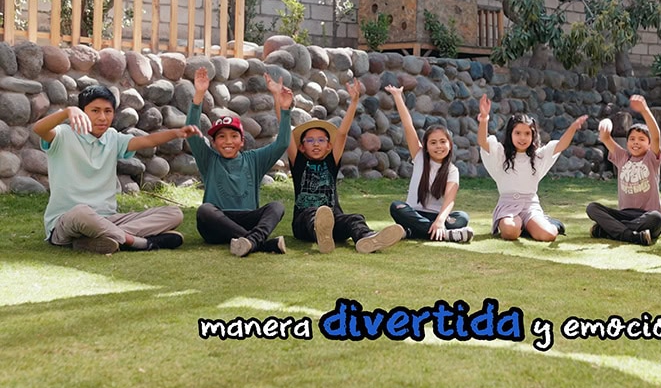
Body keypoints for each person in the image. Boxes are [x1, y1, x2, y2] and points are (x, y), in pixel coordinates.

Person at [34, 85, 199, 254]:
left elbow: (147, 141)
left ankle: (95, 240)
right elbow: (38, 128)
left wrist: (176, 133)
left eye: (108, 111)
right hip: (67, 221)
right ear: (82, 112)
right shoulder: (63, 134)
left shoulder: (113, 138)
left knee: (174, 213)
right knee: (81, 212)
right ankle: (139, 242)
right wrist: (67, 111)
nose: (102, 117)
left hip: (109, 219)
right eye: (95, 111)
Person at [288, 81, 404, 254]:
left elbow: (341, 133)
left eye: (321, 140)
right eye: (310, 140)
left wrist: (354, 102)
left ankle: (367, 238)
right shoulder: (298, 162)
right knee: (313, 213)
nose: (316, 144)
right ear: (302, 147)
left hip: (333, 220)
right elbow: (285, 136)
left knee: (355, 218)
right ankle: (320, 234)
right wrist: (282, 108)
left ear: (329, 146)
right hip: (304, 224)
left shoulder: (331, 162)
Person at [188, 68, 290, 257]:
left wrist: (283, 108)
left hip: (247, 218)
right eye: (222, 137)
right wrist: (199, 94)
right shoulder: (209, 159)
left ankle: (249, 241)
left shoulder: (254, 160)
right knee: (205, 210)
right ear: (214, 142)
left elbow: (282, 142)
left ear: (242, 141)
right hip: (215, 225)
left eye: (234, 136)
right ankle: (261, 243)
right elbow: (192, 135)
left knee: (277, 206)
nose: (228, 141)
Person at [478, 94, 586, 241]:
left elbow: (560, 145)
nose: (522, 138)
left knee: (548, 235)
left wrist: (573, 128)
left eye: (527, 134)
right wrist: (484, 118)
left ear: (533, 136)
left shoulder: (538, 156)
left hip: (530, 206)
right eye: (518, 133)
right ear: (510, 134)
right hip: (508, 206)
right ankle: (521, 226)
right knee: (510, 232)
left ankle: (545, 223)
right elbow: (483, 142)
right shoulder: (501, 154)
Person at [386, 85, 474, 243]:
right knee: (396, 207)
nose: (438, 146)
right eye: (433, 143)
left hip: (437, 216)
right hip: (413, 213)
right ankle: (445, 235)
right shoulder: (419, 157)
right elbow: (408, 126)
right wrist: (398, 96)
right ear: (426, 146)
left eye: (442, 142)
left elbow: (449, 200)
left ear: (450, 144)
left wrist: (440, 221)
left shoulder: (452, 171)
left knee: (462, 217)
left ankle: (412, 231)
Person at [588, 95, 661, 245]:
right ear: (627, 142)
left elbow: (656, 136)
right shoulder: (622, 157)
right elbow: (605, 138)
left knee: (656, 218)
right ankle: (632, 236)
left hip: (647, 217)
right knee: (592, 208)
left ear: (649, 145)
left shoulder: (651, 158)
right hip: (624, 214)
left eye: (641, 139)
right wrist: (605, 125)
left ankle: (606, 231)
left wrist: (645, 110)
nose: (636, 142)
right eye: (632, 139)